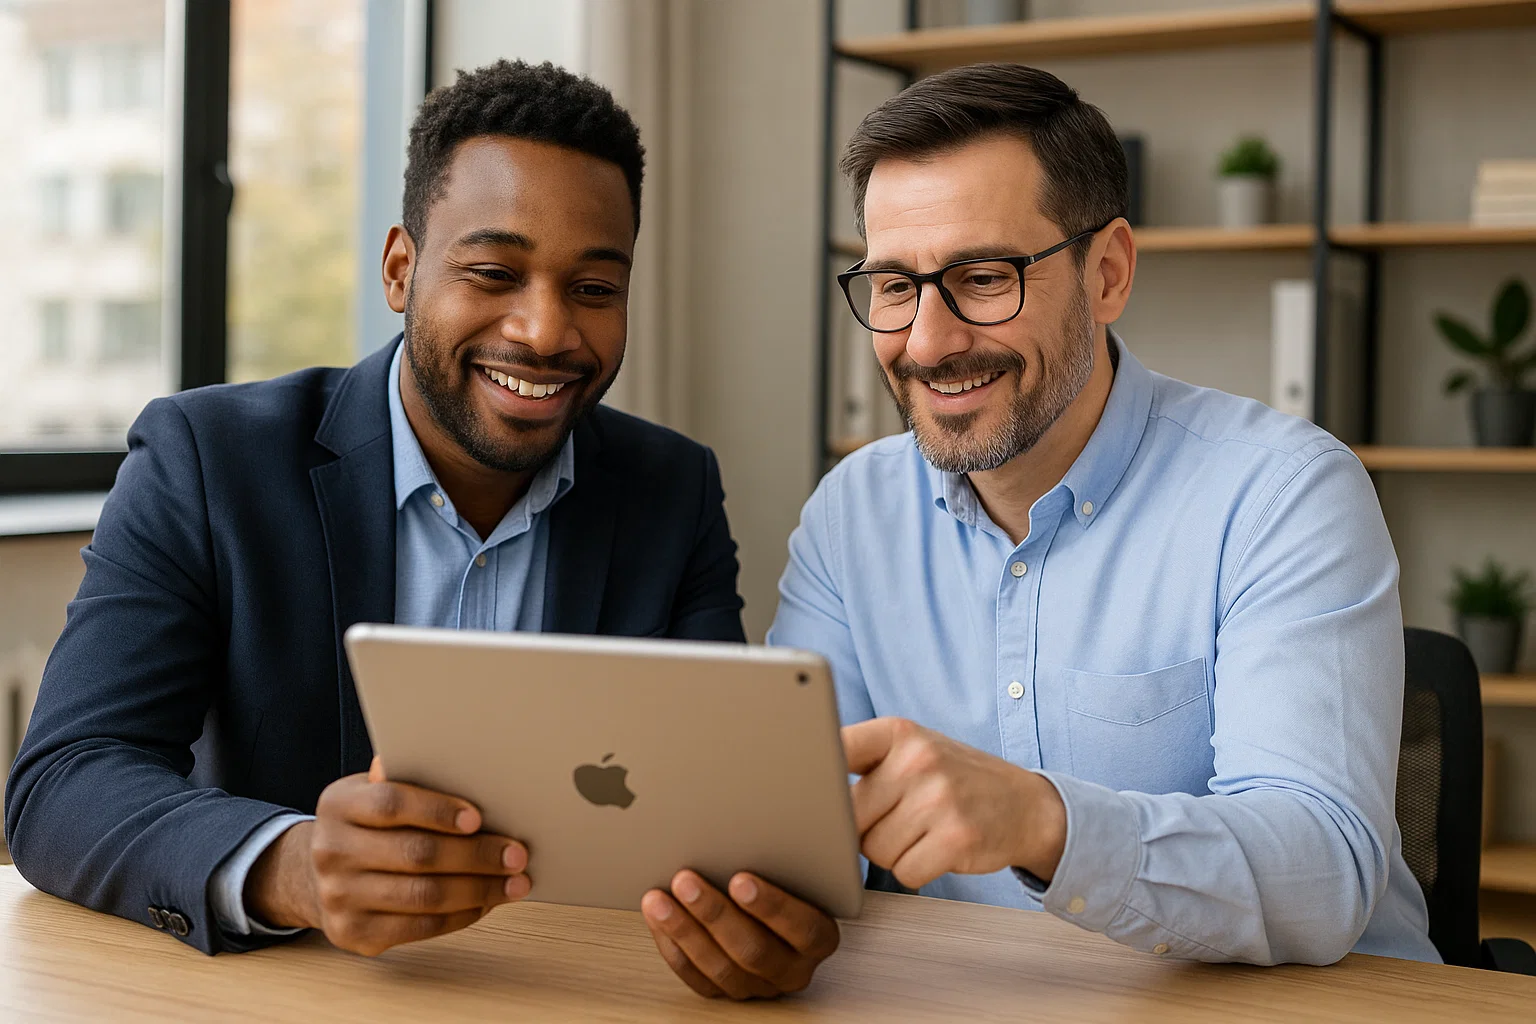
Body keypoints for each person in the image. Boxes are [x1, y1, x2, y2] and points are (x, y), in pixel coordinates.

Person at [6, 62, 825, 991]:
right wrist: (293, 867)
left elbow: (720, 803)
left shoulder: (670, 489)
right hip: (285, 997)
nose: (545, 329)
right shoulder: (208, 459)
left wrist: (757, 916)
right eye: (494, 273)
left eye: (594, 288)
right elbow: (63, 780)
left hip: (568, 994)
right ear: (401, 269)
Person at [758, 61, 1440, 976]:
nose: (926, 341)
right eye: (893, 287)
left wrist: (1043, 821)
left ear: (1108, 272)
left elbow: (1322, 875)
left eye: (984, 276)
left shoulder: (1283, 494)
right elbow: (794, 830)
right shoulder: (851, 517)